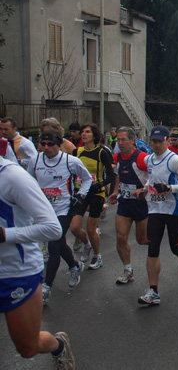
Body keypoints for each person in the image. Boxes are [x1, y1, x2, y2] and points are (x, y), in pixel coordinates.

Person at [0, 155, 75, 369]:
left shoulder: (12, 177)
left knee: (27, 347)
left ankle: (58, 345)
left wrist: (5, 235)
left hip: (15, 272)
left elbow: (52, 229)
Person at [28, 129, 91, 304]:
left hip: (64, 209)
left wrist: (80, 196)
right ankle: (74, 266)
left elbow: (87, 179)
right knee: (60, 243)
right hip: (44, 210)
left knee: (53, 244)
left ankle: (46, 288)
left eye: (51, 144)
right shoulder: (35, 160)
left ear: (59, 145)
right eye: (43, 144)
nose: (46, 148)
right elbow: (29, 182)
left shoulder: (71, 161)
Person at [137, 125, 178, 305]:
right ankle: (153, 291)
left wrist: (169, 188)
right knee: (152, 248)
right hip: (155, 209)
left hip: (173, 210)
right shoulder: (148, 159)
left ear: (167, 141)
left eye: (160, 141)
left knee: (175, 247)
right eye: (153, 141)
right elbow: (151, 179)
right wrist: (144, 189)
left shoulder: (174, 160)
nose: (156, 144)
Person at [69, 123, 115, 270]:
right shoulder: (77, 152)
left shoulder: (102, 152)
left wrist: (100, 185)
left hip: (96, 193)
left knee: (91, 228)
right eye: (82, 132)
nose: (84, 134)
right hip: (80, 192)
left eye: (87, 132)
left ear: (94, 135)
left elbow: (112, 175)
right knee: (74, 227)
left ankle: (97, 256)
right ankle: (87, 244)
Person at [106, 127, 150, 284]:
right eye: (118, 140)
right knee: (120, 237)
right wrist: (115, 191)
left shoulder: (142, 158)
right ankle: (128, 270)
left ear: (133, 140)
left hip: (141, 204)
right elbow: (119, 174)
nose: (120, 143)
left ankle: (159, 247)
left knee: (142, 240)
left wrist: (143, 189)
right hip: (124, 202)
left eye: (123, 139)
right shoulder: (117, 156)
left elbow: (155, 174)